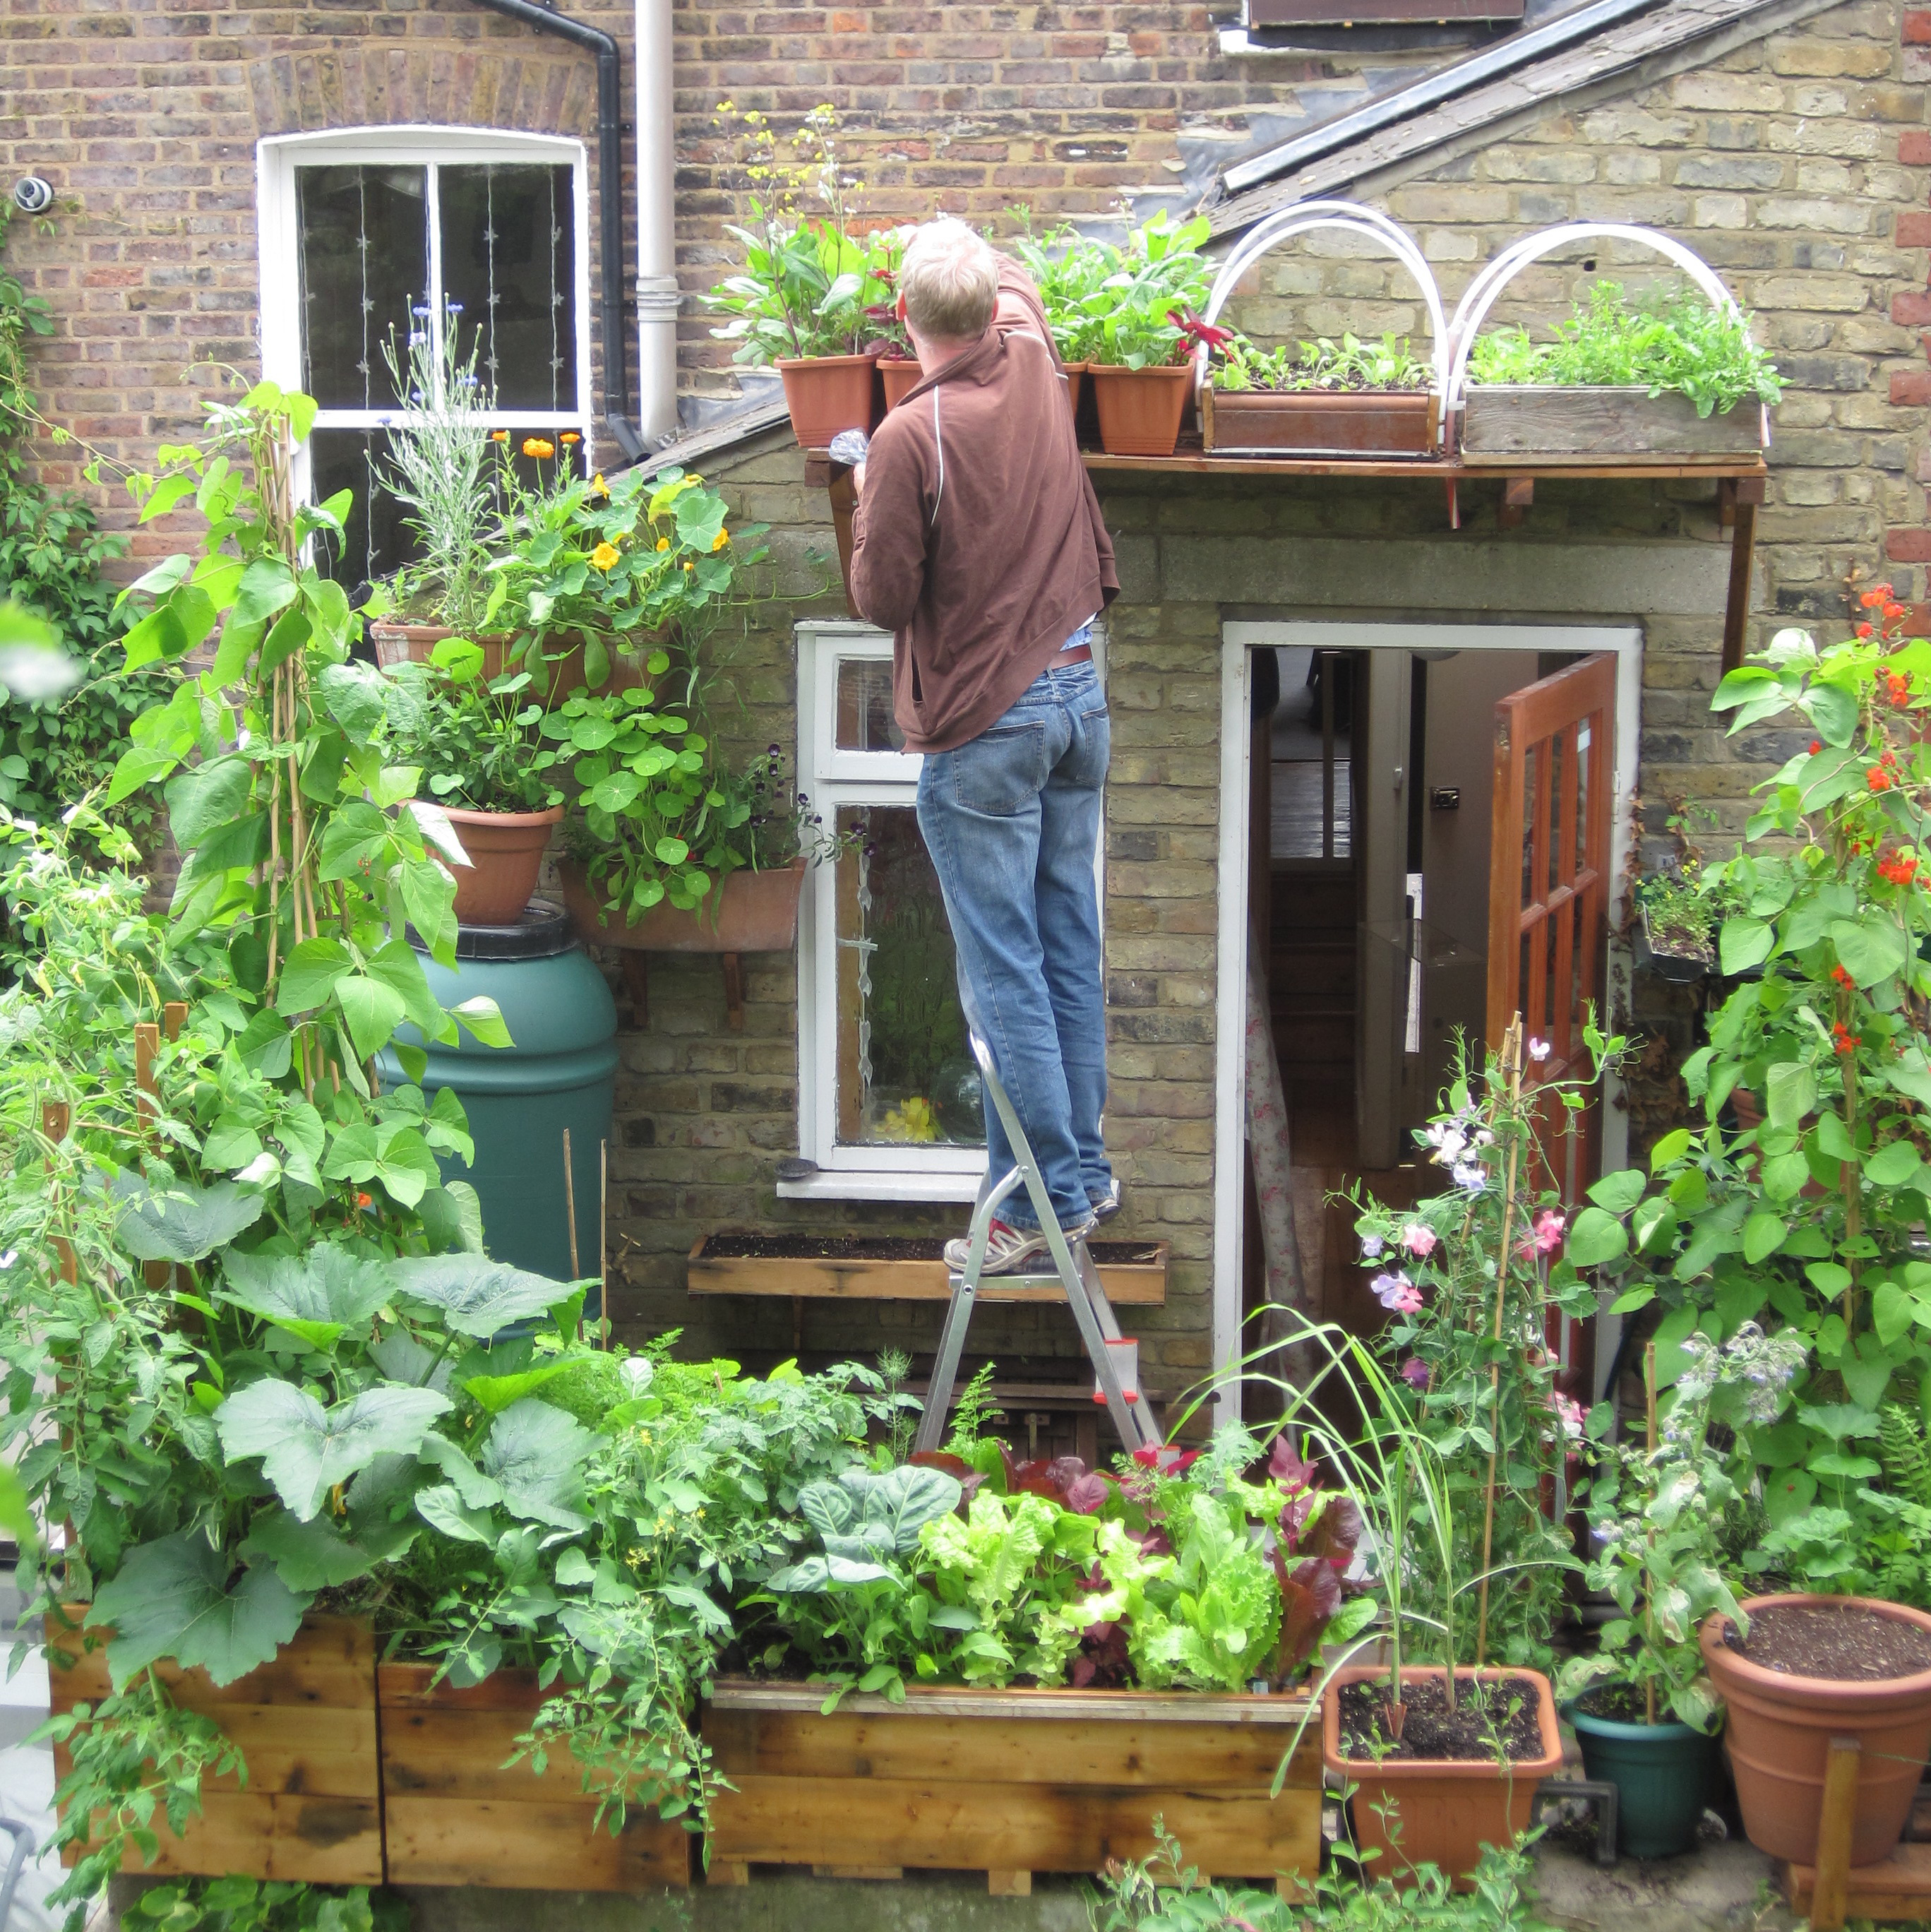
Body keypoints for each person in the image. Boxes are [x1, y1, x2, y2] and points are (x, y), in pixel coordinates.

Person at [848, 217, 1120, 1274]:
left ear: (902, 318)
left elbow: (881, 599)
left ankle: (1050, 1201)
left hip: (990, 730)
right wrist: (961, 250)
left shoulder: (911, 438)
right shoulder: (1039, 359)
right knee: (1066, 950)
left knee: (1005, 973)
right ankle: (1073, 1183)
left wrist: (874, 492)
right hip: (1077, 702)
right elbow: (1009, 274)